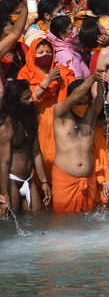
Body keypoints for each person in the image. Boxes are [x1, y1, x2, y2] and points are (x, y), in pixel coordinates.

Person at [51, 71, 106, 213]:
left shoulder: (91, 113)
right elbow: (75, 96)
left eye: (85, 102)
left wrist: (100, 80)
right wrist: (92, 78)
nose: (82, 106)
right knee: (62, 220)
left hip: (89, 178)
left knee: (88, 220)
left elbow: (100, 98)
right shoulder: (60, 112)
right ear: (69, 100)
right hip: (64, 179)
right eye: (78, 103)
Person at [0, 80, 52, 215]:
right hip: (11, 180)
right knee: (11, 221)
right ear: (15, 102)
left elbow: (36, 152)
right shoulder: (6, 128)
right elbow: (3, 164)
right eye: (26, 98)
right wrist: (4, 197)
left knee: (38, 217)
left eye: (30, 95)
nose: (31, 100)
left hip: (29, 179)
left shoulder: (31, 121)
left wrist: (44, 182)